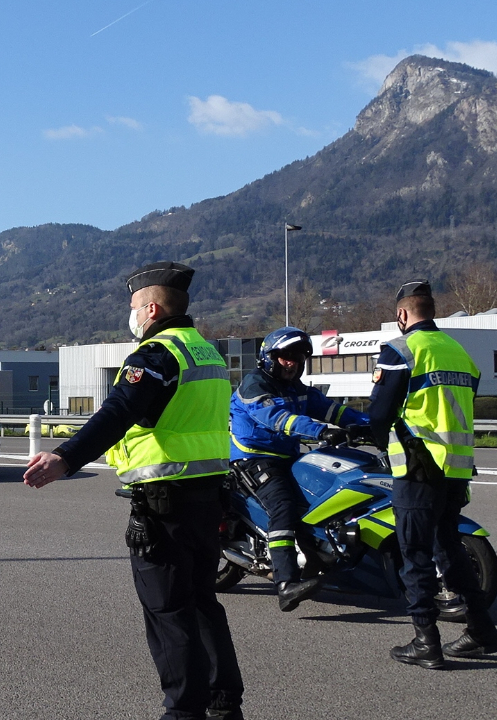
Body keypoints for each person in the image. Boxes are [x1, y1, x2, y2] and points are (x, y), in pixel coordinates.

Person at [25, 261, 244, 720]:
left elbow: (118, 412)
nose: (132, 316)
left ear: (152, 308)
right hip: (209, 496)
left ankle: (183, 712)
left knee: (169, 612)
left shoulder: (156, 355)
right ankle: (225, 704)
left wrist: (65, 458)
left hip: (165, 504)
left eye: (134, 307)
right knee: (203, 603)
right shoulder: (207, 352)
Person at [369, 280, 497, 669]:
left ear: (402, 314)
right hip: (456, 468)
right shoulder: (458, 351)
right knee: (449, 548)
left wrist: (379, 441)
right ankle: (481, 631)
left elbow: (380, 413)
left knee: (414, 554)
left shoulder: (402, 350)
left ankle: (425, 641)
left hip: (418, 468)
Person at [229, 327, 369, 612]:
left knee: (320, 497)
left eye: (298, 357)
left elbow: (332, 410)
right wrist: (320, 431)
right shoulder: (254, 384)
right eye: (286, 356)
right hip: (254, 458)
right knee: (282, 506)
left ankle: (319, 560)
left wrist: (370, 424)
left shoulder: (298, 390)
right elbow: (276, 418)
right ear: (269, 357)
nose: (292, 362)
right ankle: (286, 583)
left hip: (288, 457)